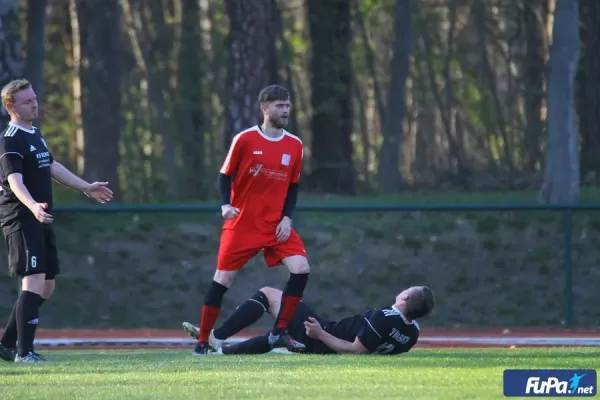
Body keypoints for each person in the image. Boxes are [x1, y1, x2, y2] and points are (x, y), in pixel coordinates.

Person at [190, 84, 310, 356]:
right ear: (265, 108)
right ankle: (203, 341)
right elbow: (224, 175)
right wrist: (225, 205)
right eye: (280, 106)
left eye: (288, 105)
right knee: (222, 280)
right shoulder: (245, 139)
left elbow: (293, 186)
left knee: (301, 268)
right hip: (243, 223)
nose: (286, 110)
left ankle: (280, 332)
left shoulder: (295, 145)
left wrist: (287, 218)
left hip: (275, 224)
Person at [0, 79, 113, 363]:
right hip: (22, 217)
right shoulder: (10, 137)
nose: (34, 104)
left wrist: (86, 187)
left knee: (47, 286)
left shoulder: (34, 133)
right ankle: (24, 353)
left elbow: (50, 165)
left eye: (34, 98)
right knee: (34, 282)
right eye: (27, 101)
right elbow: (14, 181)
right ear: (10, 106)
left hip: (40, 216)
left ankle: (7, 343)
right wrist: (32, 206)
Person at [183, 285, 434, 356]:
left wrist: (320, 334)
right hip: (326, 341)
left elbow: (356, 350)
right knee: (277, 337)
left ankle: (218, 336)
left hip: (325, 337)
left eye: (406, 290)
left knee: (270, 295)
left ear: (403, 299)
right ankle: (221, 352)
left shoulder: (384, 316)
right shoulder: (413, 333)